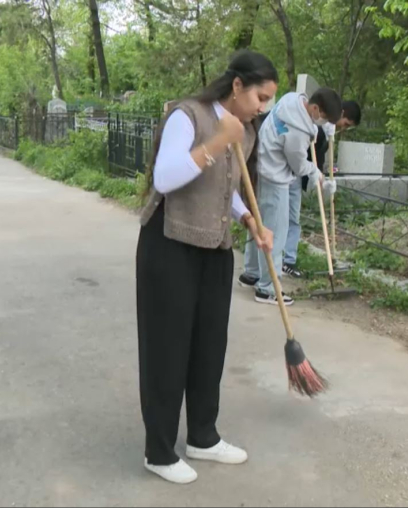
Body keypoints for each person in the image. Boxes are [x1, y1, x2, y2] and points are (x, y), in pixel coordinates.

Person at [136, 50, 278, 485]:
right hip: (170, 243)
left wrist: (248, 218)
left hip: (215, 247)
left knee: (209, 347)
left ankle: (203, 435)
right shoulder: (189, 116)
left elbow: (224, 187)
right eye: (260, 97)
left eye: (269, 100)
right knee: (167, 350)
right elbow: (166, 177)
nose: (263, 107)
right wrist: (217, 141)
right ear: (237, 86)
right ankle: (159, 452)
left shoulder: (246, 131)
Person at [239, 88, 342, 305]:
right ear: (315, 108)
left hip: (259, 167)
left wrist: (320, 130)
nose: (322, 122)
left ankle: (251, 273)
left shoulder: (291, 100)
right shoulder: (297, 133)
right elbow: (299, 165)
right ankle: (268, 288)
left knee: (259, 224)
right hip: (275, 178)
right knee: (275, 233)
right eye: (323, 118)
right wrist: (317, 174)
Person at [282, 100, 362, 277]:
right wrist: (316, 174)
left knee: (293, 218)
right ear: (341, 113)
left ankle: (288, 261)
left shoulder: (327, 131)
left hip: (298, 175)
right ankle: (271, 262)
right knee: (279, 218)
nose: (343, 128)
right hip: (286, 171)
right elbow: (304, 153)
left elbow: (319, 158)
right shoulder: (315, 124)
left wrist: (323, 179)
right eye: (346, 124)